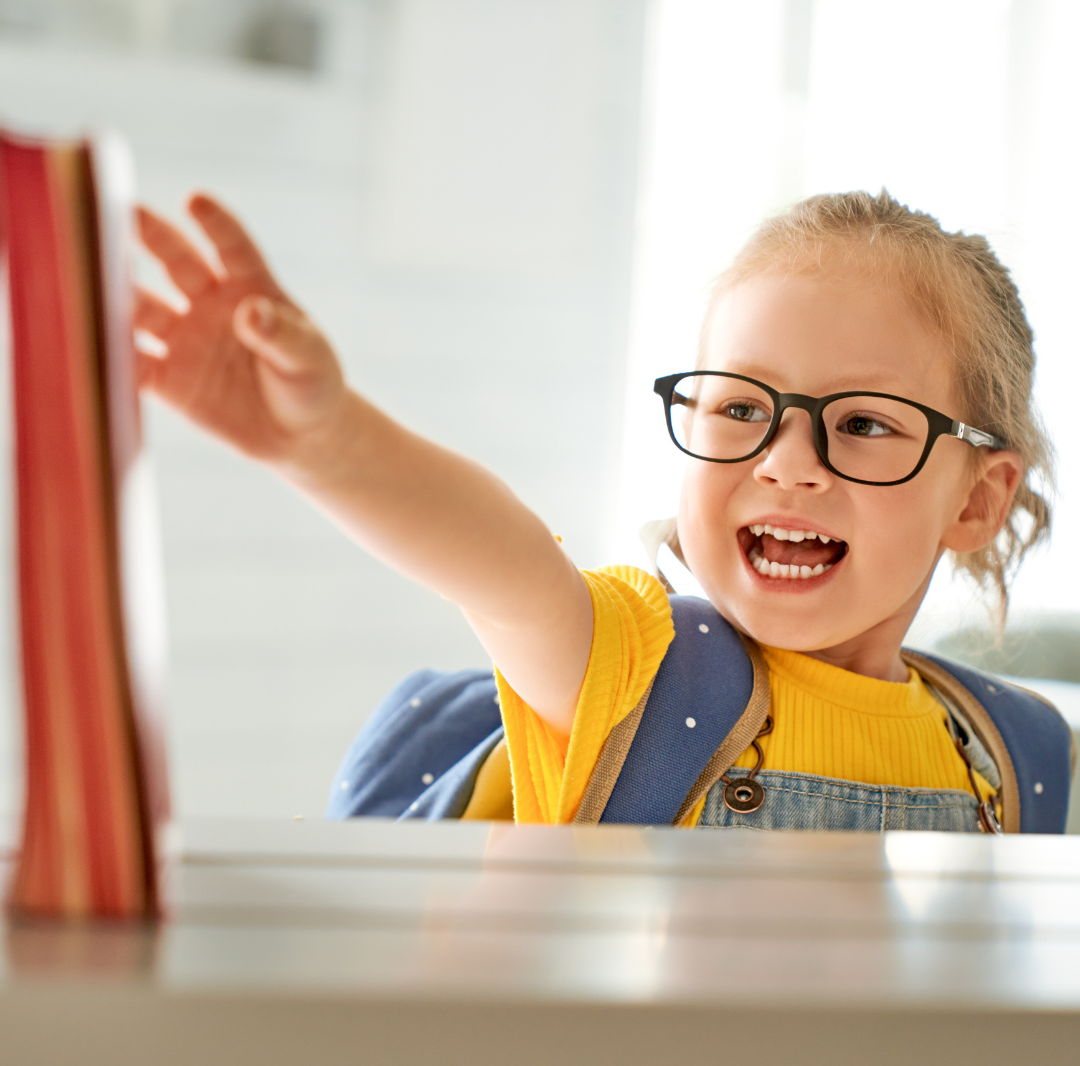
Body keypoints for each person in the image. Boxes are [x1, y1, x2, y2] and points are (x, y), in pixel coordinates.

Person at [135, 189, 1064, 832]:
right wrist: (328, 442)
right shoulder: (637, 667)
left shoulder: (1013, 753)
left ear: (977, 500)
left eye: (862, 423)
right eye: (742, 407)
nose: (787, 464)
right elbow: (497, 561)